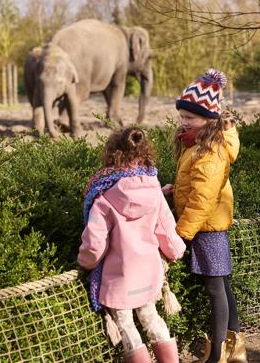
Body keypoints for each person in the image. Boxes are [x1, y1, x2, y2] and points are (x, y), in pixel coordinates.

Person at [78, 126, 186, 363]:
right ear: (145, 153)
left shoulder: (103, 196)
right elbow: (166, 230)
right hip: (148, 274)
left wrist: (85, 263)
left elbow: (94, 244)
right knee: (153, 320)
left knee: (127, 328)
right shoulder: (154, 189)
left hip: (119, 278)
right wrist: (176, 252)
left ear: (111, 155)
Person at [161, 68, 248, 363]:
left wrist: (181, 233)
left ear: (209, 119)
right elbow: (195, 185)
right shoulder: (196, 143)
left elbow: (204, 198)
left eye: (190, 117)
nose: (183, 122)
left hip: (207, 228)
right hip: (206, 225)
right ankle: (236, 348)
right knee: (221, 285)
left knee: (215, 290)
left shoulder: (209, 151)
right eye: (182, 115)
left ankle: (218, 355)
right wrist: (176, 190)